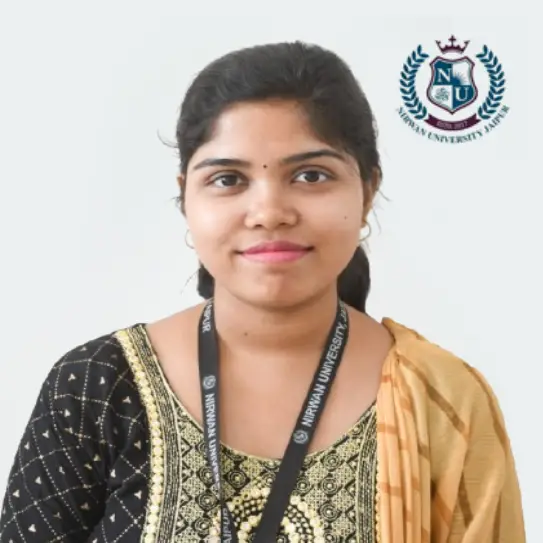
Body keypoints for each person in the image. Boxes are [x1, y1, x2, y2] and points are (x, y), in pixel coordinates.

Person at [0, 41, 525, 543]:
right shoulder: (97, 385)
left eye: (311, 175)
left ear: (367, 192)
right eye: (229, 179)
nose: (270, 212)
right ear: (186, 198)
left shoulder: (442, 400)